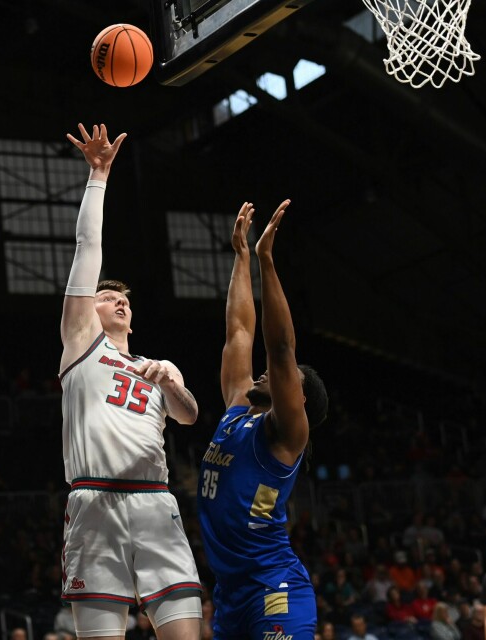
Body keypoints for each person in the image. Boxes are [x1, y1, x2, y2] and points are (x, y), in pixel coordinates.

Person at [59, 123, 202, 639]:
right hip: (94, 501)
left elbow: (188, 415)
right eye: (105, 296)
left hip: (154, 501)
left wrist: (170, 383)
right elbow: (86, 247)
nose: (118, 299)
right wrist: (99, 176)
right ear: (87, 311)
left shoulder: (160, 367)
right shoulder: (81, 345)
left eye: (125, 299)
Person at [197, 200, 328, 639]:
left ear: (298, 399)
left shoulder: (287, 433)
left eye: (280, 378)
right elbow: (238, 332)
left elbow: (281, 349)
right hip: (230, 595)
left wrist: (268, 263)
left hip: (275, 587)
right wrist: (241, 258)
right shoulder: (237, 407)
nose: (265, 372)